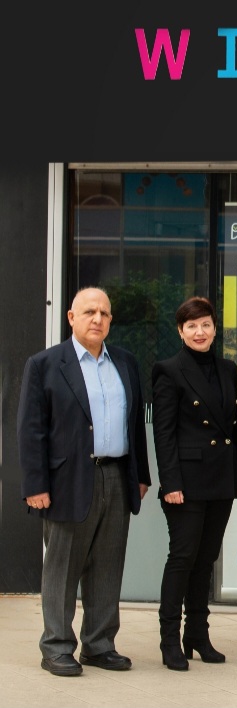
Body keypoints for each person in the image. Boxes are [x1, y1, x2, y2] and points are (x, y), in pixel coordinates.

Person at [18, 287, 151, 676]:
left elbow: (134, 425)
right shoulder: (44, 364)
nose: (98, 319)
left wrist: (140, 474)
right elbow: (31, 430)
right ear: (71, 317)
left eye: (105, 313)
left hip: (117, 475)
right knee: (62, 568)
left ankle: (99, 644)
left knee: (108, 565)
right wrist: (35, 485)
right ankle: (57, 646)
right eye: (90, 311)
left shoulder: (124, 362)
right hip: (66, 481)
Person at [152, 297, 237, 671]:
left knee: (206, 559)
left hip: (221, 479)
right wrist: (170, 482)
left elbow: (234, 425)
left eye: (205, 324)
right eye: (191, 326)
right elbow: (164, 433)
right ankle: (169, 639)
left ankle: (197, 634)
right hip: (186, 483)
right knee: (182, 558)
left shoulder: (227, 368)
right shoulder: (168, 370)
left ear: (214, 328)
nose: (199, 331)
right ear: (180, 331)